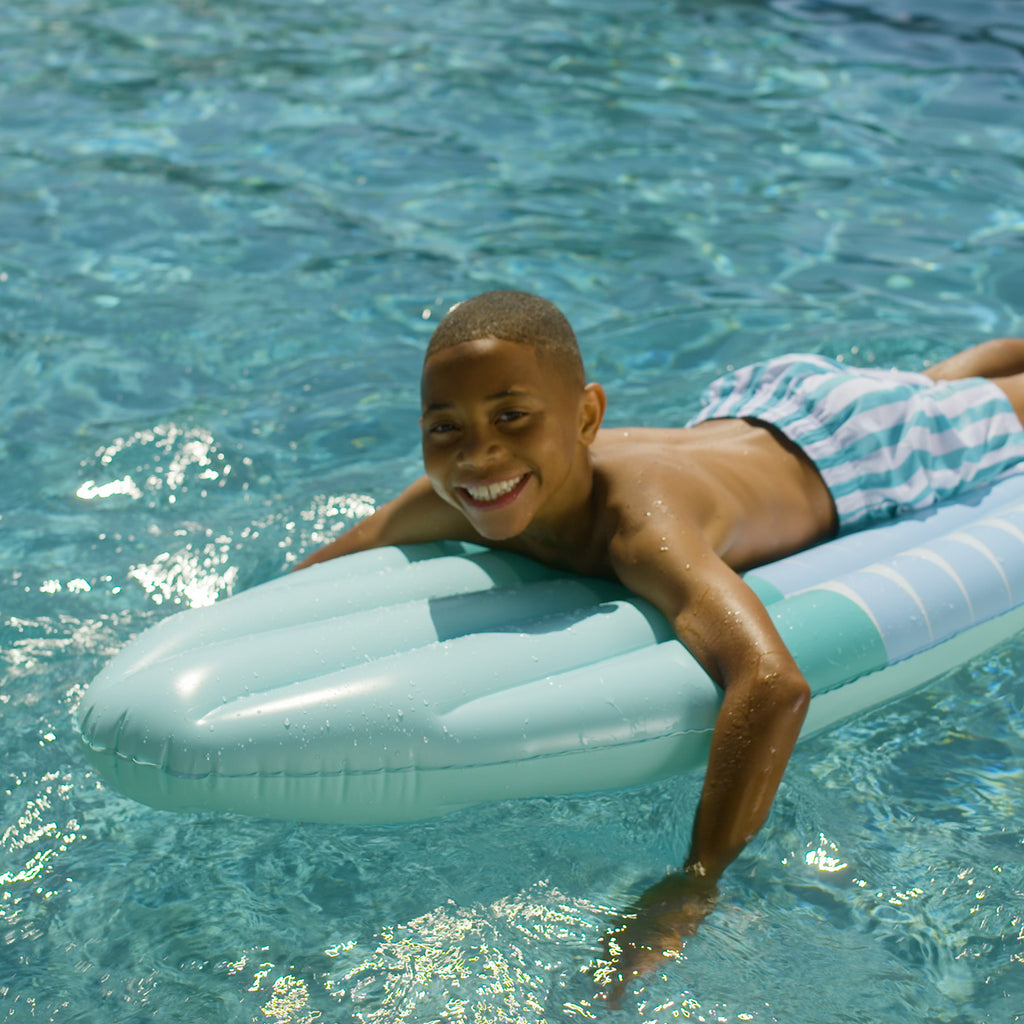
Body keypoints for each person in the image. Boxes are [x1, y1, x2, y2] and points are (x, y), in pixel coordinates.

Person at [295, 290, 1024, 1001]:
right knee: (932, 385)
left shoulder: (643, 531)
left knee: (961, 403)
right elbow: (322, 570)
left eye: (511, 417)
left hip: (865, 449)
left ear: (587, 416)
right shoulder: (453, 490)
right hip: (769, 404)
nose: (479, 455)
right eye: (444, 427)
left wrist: (693, 881)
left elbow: (772, 685)